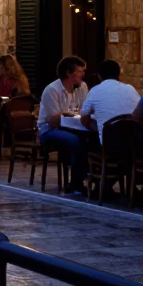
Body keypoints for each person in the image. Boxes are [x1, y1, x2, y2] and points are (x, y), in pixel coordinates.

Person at [37, 56, 90, 195]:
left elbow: (85, 111)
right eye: (80, 71)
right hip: (49, 130)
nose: (83, 74)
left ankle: (93, 178)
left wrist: (67, 115)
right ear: (69, 73)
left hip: (75, 127)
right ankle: (76, 184)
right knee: (75, 141)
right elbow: (53, 121)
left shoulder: (82, 87)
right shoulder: (52, 90)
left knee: (92, 138)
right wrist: (70, 115)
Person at [80, 59, 141, 144]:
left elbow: (84, 121)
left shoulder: (94, 91)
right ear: (118, 75)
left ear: (99, 76)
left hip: (110, 145)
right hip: (134, 143)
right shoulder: (130, 89)